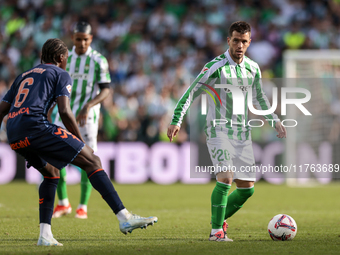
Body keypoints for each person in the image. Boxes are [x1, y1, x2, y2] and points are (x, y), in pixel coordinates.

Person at [0, 38, 157, 246]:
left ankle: (45, 235)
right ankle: (124, 218)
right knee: (92, 160)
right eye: (65, 58)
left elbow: (2, 110)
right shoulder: (60, 73)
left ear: (42, 57)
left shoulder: (23, 76)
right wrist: (81, 142)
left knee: (51, 173)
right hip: (36, 127)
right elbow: (64, 111)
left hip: (14, 133)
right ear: (61, 58)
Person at [167, 21, 286, 242]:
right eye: (236, 40)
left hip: (242, 132)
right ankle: (216, 232)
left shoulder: (253, 68)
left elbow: (259, 98)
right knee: (226, 177)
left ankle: (219, 219)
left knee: (247, 189)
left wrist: (274, 119)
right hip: (218, 130)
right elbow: (191, 92)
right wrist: (176, 120)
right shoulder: (215, 66)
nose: (239, 45)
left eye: (244, 41)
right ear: (228, 40)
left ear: (249, 42)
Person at [51, 21, 110, 219]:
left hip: (87, 118)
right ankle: (63, 203)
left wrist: (88, 105)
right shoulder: (64, 58)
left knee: (88, 158)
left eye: (85, 39)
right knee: (55, 157)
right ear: (73, 38)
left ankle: (82, 206)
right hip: (62, 113)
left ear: (90, 39)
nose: (82, 43)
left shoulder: (99, 60)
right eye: (78, 39)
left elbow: (106, 90)